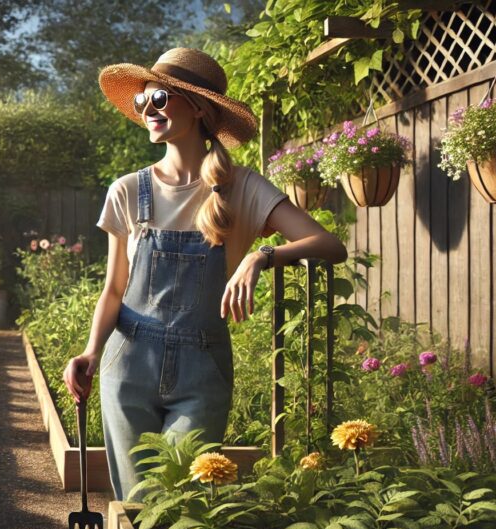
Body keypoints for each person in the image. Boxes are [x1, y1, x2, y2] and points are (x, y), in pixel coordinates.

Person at [63, 47, 348, 502]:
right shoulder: (127, 191)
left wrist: (261, 257)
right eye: (142, 102)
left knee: (186, 500)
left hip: (203, 367)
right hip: (128, 362)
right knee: (139, 507)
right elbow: (114, 288)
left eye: (158, 97)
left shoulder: (244, 188)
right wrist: (90, 351)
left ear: (197, 108)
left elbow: (330, 246)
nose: (147, 109)